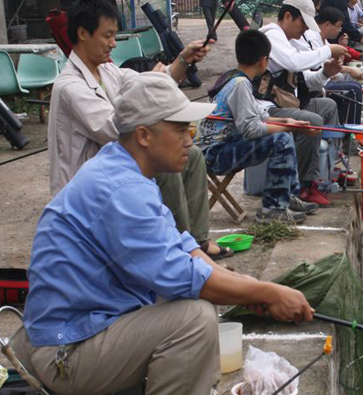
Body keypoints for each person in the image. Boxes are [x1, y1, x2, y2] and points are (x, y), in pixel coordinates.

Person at [12, 72, 315, 395]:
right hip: (66, 352)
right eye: (180, 129)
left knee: (202, 296)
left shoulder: (126, 172)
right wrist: (266, 291)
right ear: (144, 136)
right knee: (193, 317)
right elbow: (183, 279)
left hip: (80, 331)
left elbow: (180, 246)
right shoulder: (121, 189)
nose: (191, 137)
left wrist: (235, 282)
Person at [49, 0, 231, 259]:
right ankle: (181, 250)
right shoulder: (70, 86)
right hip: (88, 186)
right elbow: (114, 129)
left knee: (191, 156)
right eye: (107, 35)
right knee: (162, 160)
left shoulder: (108, 71)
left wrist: (183, 59)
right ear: (82, 33)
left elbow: (150, 87)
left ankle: (197, 242)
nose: (113, 43)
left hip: (113, 167)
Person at [199, 30, 319, 224]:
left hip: (222, 148)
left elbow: (261, 116)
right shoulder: (239, 84)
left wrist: (288, 123)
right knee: (282, 140)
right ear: (264, 60)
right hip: (214, 155)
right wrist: (288, 129)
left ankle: (286, 196)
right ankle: (273, 207)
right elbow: (251, 129)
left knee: (284, 135)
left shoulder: (236, 78)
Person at [260, 0, 349, 206]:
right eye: (303, 24)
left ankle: (328, 166)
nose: (305, 31)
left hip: (290, 103)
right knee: (312, 121)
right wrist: (328, 51)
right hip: (269, 108)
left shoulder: (289, 39)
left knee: (328, 105)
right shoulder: (272, 35)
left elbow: (306, 79)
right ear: (288, 16)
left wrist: (326, 73)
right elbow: (294, 62)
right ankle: (304, 185)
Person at [306, 7, 363, 125]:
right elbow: (319, 67)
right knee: (354, 90)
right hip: (314, 86)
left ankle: (348, 124)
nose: (340, 30)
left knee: (354, 85)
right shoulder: (312, 37)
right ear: (327, 24)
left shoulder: (324, 40)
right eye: (338, 26)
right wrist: (349, 69)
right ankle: (351, 132)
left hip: (323, 80)